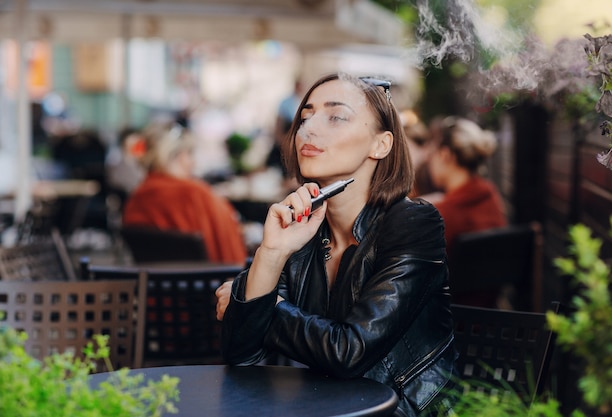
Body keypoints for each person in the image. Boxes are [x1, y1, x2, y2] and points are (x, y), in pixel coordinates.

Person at [216, 73, 458, 417]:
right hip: (315, 408)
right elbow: (241, 357)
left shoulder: (412, 223)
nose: (308, 129)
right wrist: (272, 253)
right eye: (305, 117)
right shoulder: (301, 228)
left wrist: (259, 302)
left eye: (336, 116)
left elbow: (350, 352)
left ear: (381, 144)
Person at [123, 123, 248, 266]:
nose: (193, 162)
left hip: (155, 285)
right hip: (206, 283)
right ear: (180, 156)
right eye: (190, 154)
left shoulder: (136, 198)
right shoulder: (197, 194)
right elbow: (230, 253)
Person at [426, 116, 507, 254]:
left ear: (445, 155)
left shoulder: (439, 217)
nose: (429, 160)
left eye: (432, 153)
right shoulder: (491, 196)